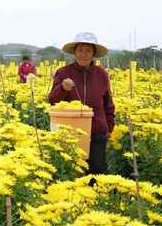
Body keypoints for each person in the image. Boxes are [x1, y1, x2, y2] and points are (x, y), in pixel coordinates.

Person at [48, 32, 115, 176]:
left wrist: (109, 126)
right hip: (69, 132)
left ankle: (97, 197)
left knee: (96, 172)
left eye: (88, 50)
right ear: (74, 52)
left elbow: (108, 102)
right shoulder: (63, 72)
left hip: (97, 131)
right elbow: (53, 100)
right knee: (71, 171)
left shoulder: (101, 74)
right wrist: (62, 89)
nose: (84, 54)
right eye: (80, 50)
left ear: (94, 53)